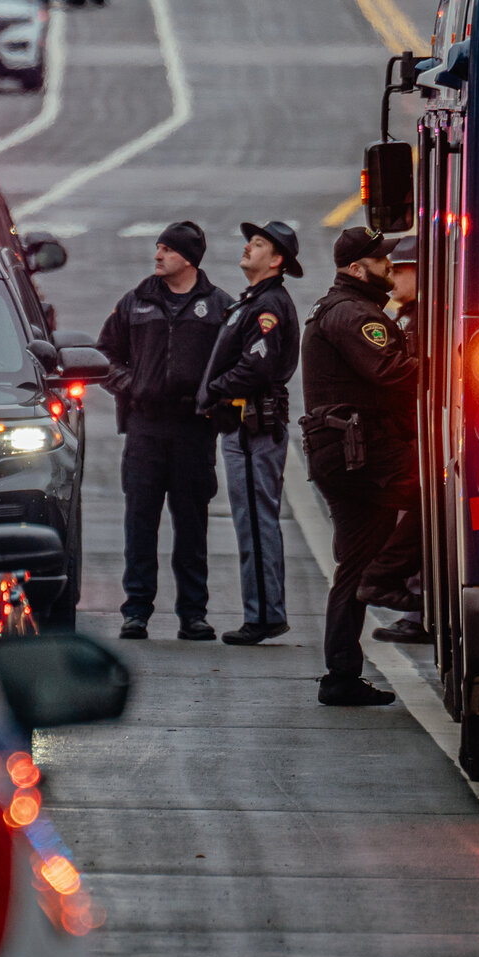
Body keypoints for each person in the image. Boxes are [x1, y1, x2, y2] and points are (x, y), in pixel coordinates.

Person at [300, 227, 418, 705]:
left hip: (345, 454)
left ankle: (340, 677)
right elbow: (388, 371)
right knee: (445, 499)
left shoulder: (345, 308)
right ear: (356, 268)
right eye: (380, 258)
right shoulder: (353, 314)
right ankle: (386, 580)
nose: (388, 265)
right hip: (362, 456)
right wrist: (451, 361)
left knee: (353, 565)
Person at [98, 221, 228, 641]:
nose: (157, 256)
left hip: (193, 430)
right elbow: (104, 356)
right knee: (140, 523)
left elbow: (234, 363)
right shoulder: (135, 304)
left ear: (188, 259)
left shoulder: (219, 307)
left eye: (166, 250)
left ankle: (193, 614)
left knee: (192, 526)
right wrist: (132, 384)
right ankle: (136, 611)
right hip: (145, 429)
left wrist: (213, 397)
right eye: (157, 248)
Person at [198, 220, 302, 645]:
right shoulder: (253, 301)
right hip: (242, 425)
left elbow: (257, 366)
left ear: (276, 260)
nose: (247, 248)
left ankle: (263, 615)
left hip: (252, 425)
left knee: (257, 523)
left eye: (258, 244)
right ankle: (262, 609)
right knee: (250, 521)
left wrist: (215, 391)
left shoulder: (268, 305)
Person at [361, 234, 427, 646]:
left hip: (416, 437)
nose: (393, 277)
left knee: (418, 524)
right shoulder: (405, 316)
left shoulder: (422, 319)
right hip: (403, 436)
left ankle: (418, 609)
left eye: (401, 270)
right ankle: (415, 609)